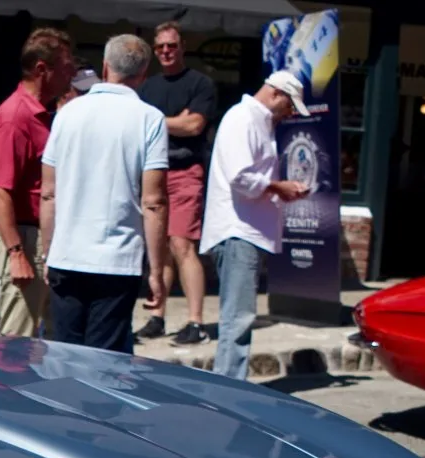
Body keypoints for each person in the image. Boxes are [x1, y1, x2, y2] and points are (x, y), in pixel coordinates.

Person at [39, 34, 168, 354]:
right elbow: (154, 201)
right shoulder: (150, 119)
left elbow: (48, 194)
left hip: (67, 255)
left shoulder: (67, 114)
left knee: (65, 356)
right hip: (117, 260)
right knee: (104, 362)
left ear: (105, 67)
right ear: (144, 73)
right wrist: (156, 270)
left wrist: (48, 251)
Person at [200, 70, 311, 380]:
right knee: (238, 319)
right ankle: (228, 388)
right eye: (289, 105)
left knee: (239, 317)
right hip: (238, 231)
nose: (290, 114)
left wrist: (278, 190)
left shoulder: (257, 121)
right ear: (275, 94)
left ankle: (228, 384)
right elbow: (240, 176)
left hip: (247, 231)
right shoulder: (243, 119)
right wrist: (279, 188)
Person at [0, 28, 75, 338]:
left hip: (43, 238)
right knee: (16, 345)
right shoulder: (14, 118)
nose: (71, 73)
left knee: (55, 342)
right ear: (41, 69)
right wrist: (17, 253)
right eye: (65, 67)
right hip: (24, 236)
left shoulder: (44, 115)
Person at [134, 21, 217, 345]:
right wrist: (174, 122)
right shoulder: (147, 87)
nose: (166, 52)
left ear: (182, 47)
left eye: (171, 45)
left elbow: (194, 125)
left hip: (185, 172)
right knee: (160, 250)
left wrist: (155, 121)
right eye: (160, 47)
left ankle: (196, 323)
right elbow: (139, 127)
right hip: (153, 174)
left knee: (182, 245)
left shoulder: (200, 83)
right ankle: (158, 316)